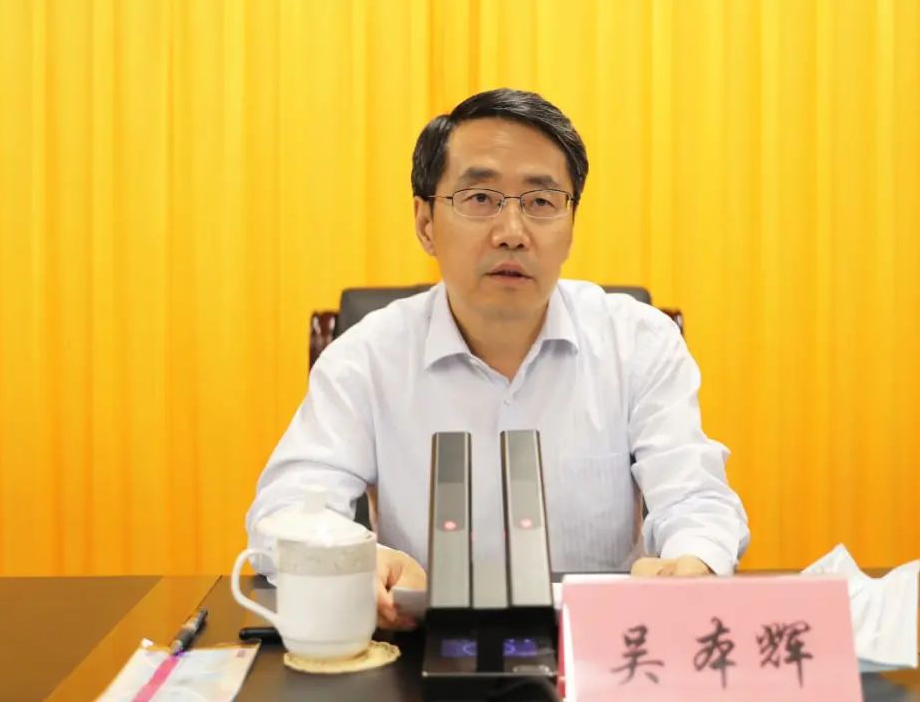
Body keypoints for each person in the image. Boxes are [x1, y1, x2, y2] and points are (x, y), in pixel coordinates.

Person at [246, 88, 749, 630]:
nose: (512, 233)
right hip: (419, 648)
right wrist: (355, 558)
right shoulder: (366, 357)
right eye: (480, 198)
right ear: (425, 222)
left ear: (570, 226)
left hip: (597, 647)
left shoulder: (638, 342)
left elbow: (695, 498)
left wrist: (692, 560)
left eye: (541, 202)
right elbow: (286, 510)